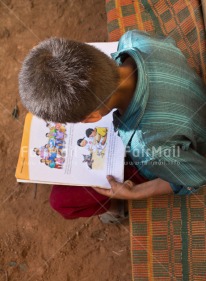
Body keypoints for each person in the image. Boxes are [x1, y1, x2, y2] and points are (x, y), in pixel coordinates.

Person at [18, 30, 206, 221]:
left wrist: (136, 192)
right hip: (183, 100)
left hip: (174, 147)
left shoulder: (147, 146)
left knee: (62, 201)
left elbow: (198, 175)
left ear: (92, 118)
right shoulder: (133, 40)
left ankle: (117, 206)